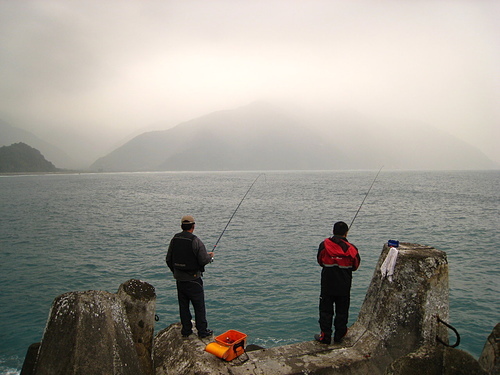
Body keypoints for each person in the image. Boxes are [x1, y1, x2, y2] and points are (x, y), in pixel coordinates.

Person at [166, 215, 214, 338]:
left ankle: (186, 330)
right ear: (193, 226)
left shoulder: (175, 239)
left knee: (183, 306)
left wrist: (176, 272)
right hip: (194, 280)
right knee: (199, 307)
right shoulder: (195, 241)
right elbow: (203, 260)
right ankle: (202, 331)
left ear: (182, 226)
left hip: (180, 280)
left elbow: (168, 259)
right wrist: (210, 257)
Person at [315, 221, 360, 344]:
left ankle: (325, 336)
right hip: (344, 286)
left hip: (327, 285)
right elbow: (355, 266)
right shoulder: (352, 249)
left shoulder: (324, 245)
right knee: (342, 311)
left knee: (325, 311)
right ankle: (339, 335)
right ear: (346, 233)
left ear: (333, 231)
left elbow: (320, 261)